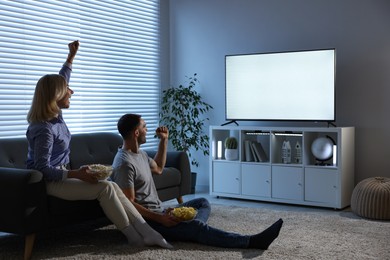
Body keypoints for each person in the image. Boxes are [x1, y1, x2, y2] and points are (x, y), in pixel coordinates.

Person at [26, 41, 172, 249]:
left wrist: (71, 57)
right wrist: (77, 174)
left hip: (61, 175)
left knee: (111, 185)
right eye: (67, 90)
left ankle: (147, 233)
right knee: (105, 188)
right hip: (49, 182)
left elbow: (62, 79)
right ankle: (135, 236)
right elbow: (42, 168)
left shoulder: (55, 115)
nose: (71, 92)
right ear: (56, 96)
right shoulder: (44, 128)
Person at [111, 113, 284, 249]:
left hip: (160, 211)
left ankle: (189, 228)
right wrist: (160, 219)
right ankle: (250, 241)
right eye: (144, 127)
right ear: (136, 133)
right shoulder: (124, 163)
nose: (147, 130)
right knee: (197, 229)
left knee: (202, 202)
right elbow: (129, 204)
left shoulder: (139, 154)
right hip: (148, 222)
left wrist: (164, 140)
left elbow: (158, 168)